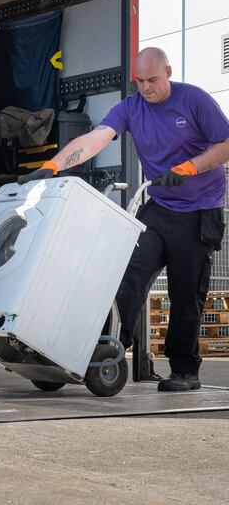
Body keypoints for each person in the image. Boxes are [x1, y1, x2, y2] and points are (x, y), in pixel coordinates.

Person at [21, 47, 229, 391]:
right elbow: (95, 139)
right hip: (159, 206)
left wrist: (190, 167)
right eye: (139, 81)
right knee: (127, 272)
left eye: (152, 80)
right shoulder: (132, 108)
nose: (145, 87)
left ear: (168, 72)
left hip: (199, 208)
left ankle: (184, 371)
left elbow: (225, 144)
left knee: (185, 291)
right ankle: (109, 348)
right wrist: (53, 165)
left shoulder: (194, 100)